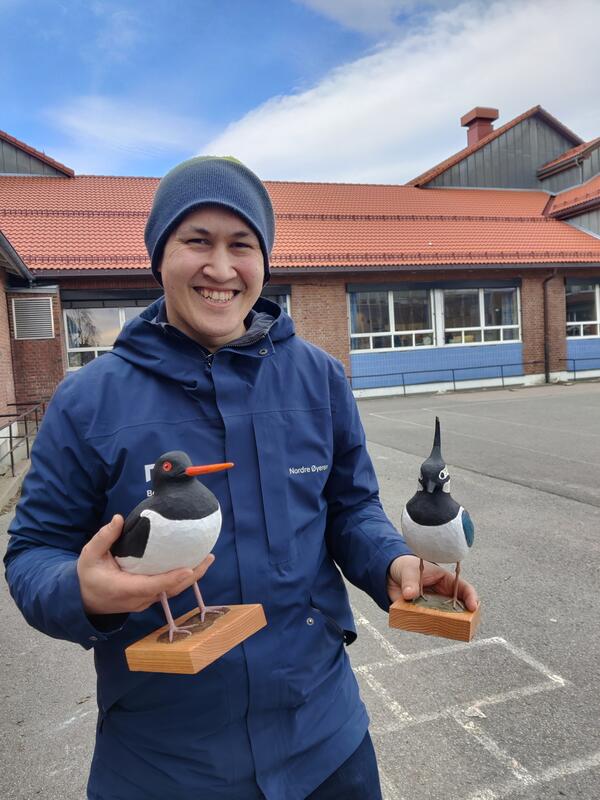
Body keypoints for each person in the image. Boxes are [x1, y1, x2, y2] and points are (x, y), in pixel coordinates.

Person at [5, 157, 478, 800]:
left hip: (326, 742)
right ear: (159, 255)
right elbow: (33, 554)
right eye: (196, 241)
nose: (221, 269)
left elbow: (351, 508)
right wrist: (81, 591)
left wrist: (392, 562)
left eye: (242, 245)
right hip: (161, 764)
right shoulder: (86, 402)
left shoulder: (319, 378)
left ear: (264, 259)